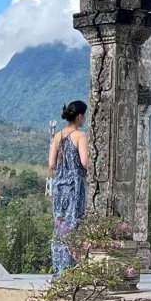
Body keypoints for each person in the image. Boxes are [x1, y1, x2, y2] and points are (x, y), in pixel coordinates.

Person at [47, 99, 90, 276]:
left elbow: (51, 164)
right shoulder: (81, 136)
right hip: (75, 185)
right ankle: (71, 270)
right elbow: (85, 162)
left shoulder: (58, 136)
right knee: (74, 225)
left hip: (59, 186)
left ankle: (59, 270)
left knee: (60, 226)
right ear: (80, 116)